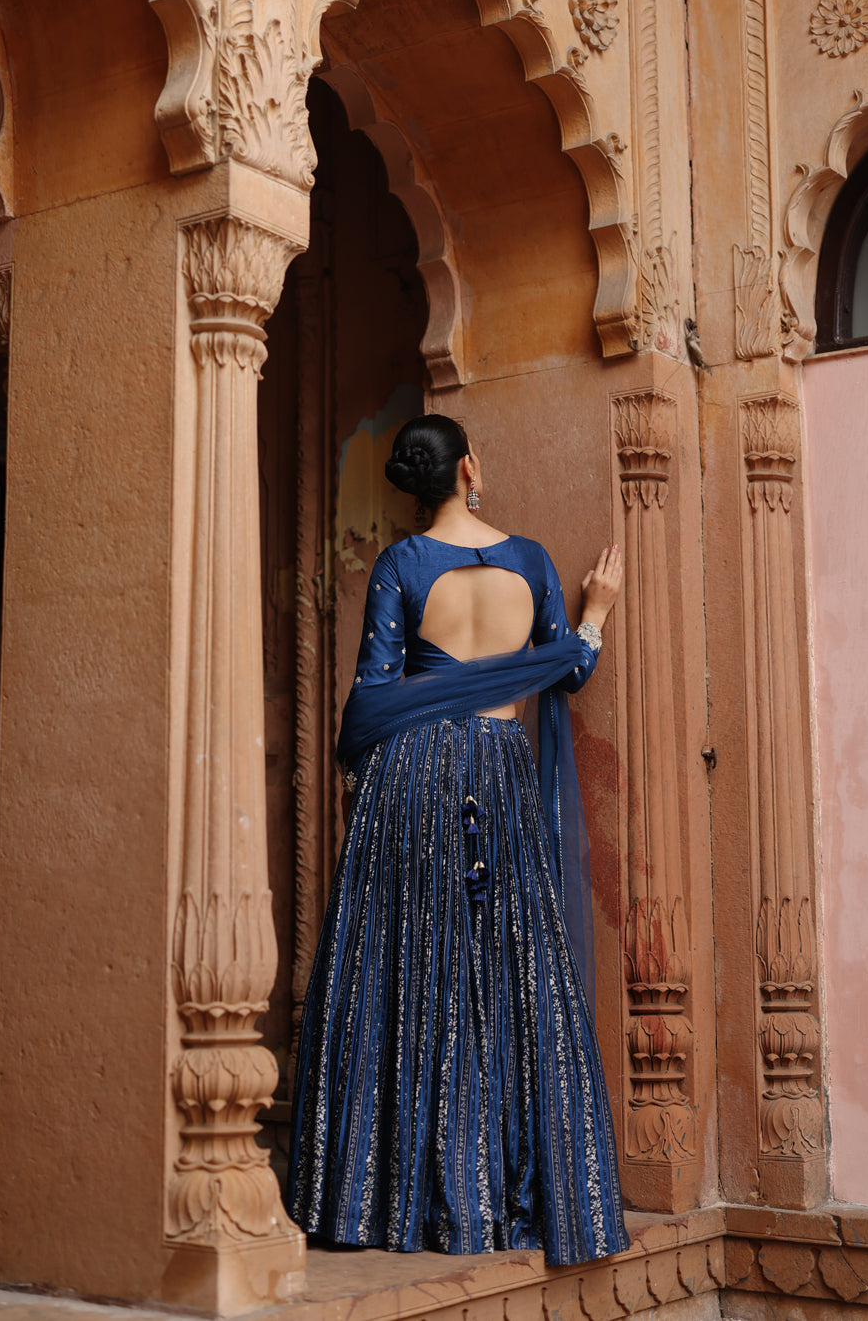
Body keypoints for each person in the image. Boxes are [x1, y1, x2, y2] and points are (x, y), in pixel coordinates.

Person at [288, 414, 629, 1262]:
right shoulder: (533, 562)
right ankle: (493, 1195)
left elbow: (373, 697)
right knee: (511, 970)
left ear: (418, 482)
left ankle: (389, 1199)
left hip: (412, 780)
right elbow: (571, 670)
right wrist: (598, 612)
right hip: (502, 772)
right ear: (471, 467)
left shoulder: (402, 564)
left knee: (407, 970)